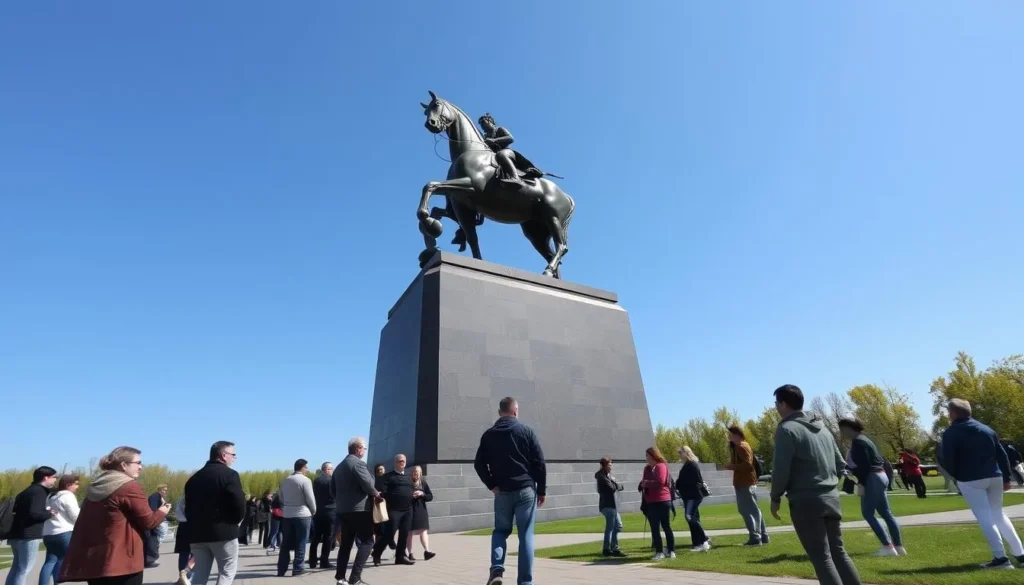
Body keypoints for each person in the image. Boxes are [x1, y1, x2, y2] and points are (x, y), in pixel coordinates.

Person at [769, 385, 862, 585]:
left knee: (822, 558)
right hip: (831, 498)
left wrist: (775, 496)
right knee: (839, 553)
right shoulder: (822, 428)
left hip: (806, 502)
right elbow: (839, 464)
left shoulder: (786, 429)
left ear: (784, 404)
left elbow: (781, 469)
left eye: (777, 403)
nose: (776, 408)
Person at [60, 447, 171, 585]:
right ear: (124, 465)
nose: (141, 467)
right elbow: (148, 522)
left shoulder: (95, 486)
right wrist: (162, 511)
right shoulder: (129, 486)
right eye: (138, 463)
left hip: (95, 560)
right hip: (123, 560)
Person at [941, 398, 1024, 569]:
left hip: (971, 479)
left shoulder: (951, 433)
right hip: (995, 476)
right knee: (999, 515)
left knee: (985, 517)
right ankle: (1020, 554)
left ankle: (1000, 558)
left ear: (953, 413)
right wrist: (1007, 478)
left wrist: (957, 477)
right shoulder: (987, 429)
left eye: (949, 412)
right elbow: (1001, 454)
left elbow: (947, 460)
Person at [474, 396, 547, 585]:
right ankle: (525, 582)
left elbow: (479, 464)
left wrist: (491, 485)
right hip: (525, 490)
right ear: (515, 411)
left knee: (500, 531)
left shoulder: (488, 435)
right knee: (526, 536)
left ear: (500, 413)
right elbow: (539, 463)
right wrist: (542, 490)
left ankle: (496, 569)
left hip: (502, 492)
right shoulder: (526, 432)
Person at [838, 417, 905, 557]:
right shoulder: (866, 440)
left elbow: (864, 466)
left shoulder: (858, 443)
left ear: (848, 428)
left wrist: (859, 480)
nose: (842, 433)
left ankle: (887, 546)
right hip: (881, 475)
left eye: (842, 430)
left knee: (868, 513)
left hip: (872, 477)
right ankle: (898, 546)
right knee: (886, 513)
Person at [183, 440, 246, 585]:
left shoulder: (193, 479)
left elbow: (188, 508)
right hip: (224, 533)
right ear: (224, 455)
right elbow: (239, 503)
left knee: (199, 574)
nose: (234, 458)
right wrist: (235, 522)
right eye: (233, 454)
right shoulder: (229, 475)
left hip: (198, 534)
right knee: (226, 571)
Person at [331, 437, 380, 585]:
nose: (365, 451)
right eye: (364, 448)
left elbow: (332, 491)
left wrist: (342, 502)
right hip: (360, 510)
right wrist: (375, 489)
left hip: (343, 511)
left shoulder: (338, 467)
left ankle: (340, 578)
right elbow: (370, 485)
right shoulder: (358, 464)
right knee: (368, 542)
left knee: (346, 544)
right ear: (358, 448)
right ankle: (355, 578)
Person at [6, 466, 58, 585]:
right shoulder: (39, 491)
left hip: (16, 533)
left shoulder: (27, 491)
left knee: (17, 568)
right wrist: (50, 513)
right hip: (28, 535)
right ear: (46, 477)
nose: (55, 480)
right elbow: (34, 514)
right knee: (24, 569)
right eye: (54, 477)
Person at [726, 426, 769, 546]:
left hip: (744, 482)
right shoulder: (742, 446)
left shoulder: (741, 446)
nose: (728, 437)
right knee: (754, 509)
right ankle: (763, 535)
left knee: (747, 510)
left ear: (736, 435)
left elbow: (748, 464)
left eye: (730, 434)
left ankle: (755, 537)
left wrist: (732, 466)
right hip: (747, 481)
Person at [370, 455, 416, 566]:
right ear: (395, 463)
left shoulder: (408, 477)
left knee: (404, 534)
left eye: (404, 461)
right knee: (389, 534)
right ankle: (377, 553)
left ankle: (400, 557)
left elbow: (412, 489)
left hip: (408, 510)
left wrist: (415, 494)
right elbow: (383, 491)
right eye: (400, 461)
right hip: (394, 510)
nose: (402, 463)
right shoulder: (388, 477)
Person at [477, 113, 544, 187]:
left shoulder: (499, 129)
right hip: (493, 154)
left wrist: (494, 140)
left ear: (490, 121)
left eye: (483, 122)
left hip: (506, 151)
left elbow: (510, 138)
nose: (482, 126)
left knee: (502, 154)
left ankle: (515, 178)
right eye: (481, 124)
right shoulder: (485, 136)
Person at [277, 459, 317, 576]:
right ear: (303, 467)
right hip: (302, 514)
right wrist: (313, 511)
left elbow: (281, 497)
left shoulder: (286, 480)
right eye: (307, 467)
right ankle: (298, 568)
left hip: (287, 514)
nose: (307, 470)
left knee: (285, 543)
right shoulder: (305, 480)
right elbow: (310, 498)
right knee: (301, 541)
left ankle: (281, 569)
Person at [40, 474, 80, 585]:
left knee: (50, 562)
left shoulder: (51, 496)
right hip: (64, 532)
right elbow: (75, 516)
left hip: (49, 533)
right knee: (63, 561)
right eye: (76, 484)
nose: (77, 487)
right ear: (69, 485)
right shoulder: (68, 495)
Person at [640, 446, 675, 560]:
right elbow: (644, 482)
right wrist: (645, 483)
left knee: (666, 526)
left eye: (648, 456)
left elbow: (660, 482)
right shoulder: (647, 469)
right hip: (651, 502)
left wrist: (646, 483)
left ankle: (671, 550)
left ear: (654, 456)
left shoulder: (661, 466)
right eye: (646, 456)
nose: (647, 459)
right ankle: (659, 551)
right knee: (654, 528)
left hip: (663, 500)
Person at [676, 446, 710, 553]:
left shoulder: (692, 465)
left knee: (689, 516)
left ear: (686, 453)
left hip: (693, 496)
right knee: (693, 519)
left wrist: (681, 484)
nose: (679, 455)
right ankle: (697, 543)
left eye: (681, 452)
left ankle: (704, 539)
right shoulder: (686, 465)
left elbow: (697, 480)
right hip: (688, 496)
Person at [594, 457, 625, 557]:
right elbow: (611, 488)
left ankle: (613, 547)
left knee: (618, 526)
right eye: (609, 464)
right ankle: (607, 549)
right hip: (607, 505)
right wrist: (615, 484)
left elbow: (619, 487)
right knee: (610, 527)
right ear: (604, 465)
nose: (611, 466)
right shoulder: (601, 476)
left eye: (611, 464)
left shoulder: (609, 476)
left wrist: (616, 484)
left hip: (613, 505)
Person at [309, 462, 336, 570]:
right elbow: (334, 495)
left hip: (318, 511)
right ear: (326, 469)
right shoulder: (330, 481)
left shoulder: (316, 480)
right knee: (328, 537)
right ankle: (324, 561)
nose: (332, 471)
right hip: (330, 511)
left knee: (316, 537)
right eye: (331, 469)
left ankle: (312, 561)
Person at [406, 465, 435, 561]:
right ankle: (410, 553)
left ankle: (427, 551)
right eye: (415, 471)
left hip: (421, 511)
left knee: (423, 531)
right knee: (409, 532)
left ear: (421, 473)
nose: (416, 473)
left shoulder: (423, 483)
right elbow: (402, 494)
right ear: (412, 473)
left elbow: (430, 496)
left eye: (418, 471)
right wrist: (411, 495)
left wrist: (422, 494)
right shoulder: (408, 483)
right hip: (409, 510)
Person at [172, 494, 195, 585]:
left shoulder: (183, 496)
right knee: (197, 553)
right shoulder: (201, 495)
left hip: (183, 526)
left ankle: (182, 575)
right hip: (196, 525)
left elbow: (178, 511)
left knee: (183, 553)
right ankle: (188, 575)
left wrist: (184, 520)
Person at [371, 464, 395, 552]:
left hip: (388, 506)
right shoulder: (373, 480)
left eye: (382, 469)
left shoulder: (388, 479)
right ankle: (378, 549)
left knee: (389, 527)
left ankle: (389, 542)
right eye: (379, 469)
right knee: (380, 529)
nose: (381, 471)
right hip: (378, 506)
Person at [144, 485, 169, 567]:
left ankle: (150, 559)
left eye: (166, 490)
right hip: (155, 520)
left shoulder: (159, 497)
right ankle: (149, 560)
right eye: (164, 490)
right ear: (159, 490)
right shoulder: (155, 497)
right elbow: (153, 509)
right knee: (154, 540)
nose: (165, 492)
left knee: (155, 540)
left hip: (157, 520)